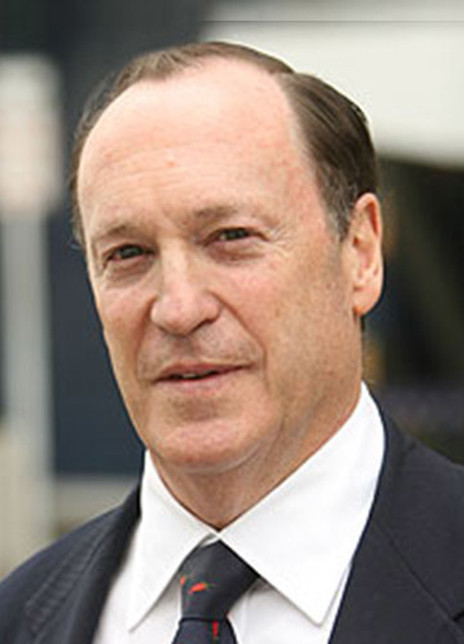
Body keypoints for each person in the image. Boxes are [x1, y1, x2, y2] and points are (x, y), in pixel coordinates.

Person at [1, 41, 464, 644]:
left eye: (231, 237)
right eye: (128, 253)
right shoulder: (20, 617)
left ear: (361, 253)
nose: (179, 309)